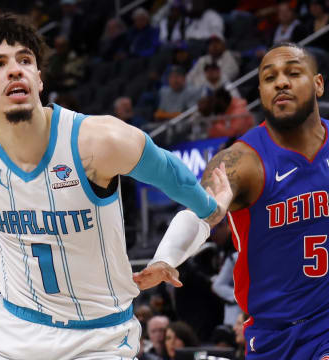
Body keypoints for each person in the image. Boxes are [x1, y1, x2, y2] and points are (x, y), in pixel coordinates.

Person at [0, 9, 231, 360]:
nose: (15, 69)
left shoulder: (99, 141)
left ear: (40, 78)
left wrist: (211, 208)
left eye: (25, 59)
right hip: (11, 329)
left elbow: (173, 173)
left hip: (98, 336)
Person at [134, 41, 329, 359]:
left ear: (318, 83)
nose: (281, 82)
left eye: (293, 73)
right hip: (271, 335)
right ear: (261, 92)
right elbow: (200, 212)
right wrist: (165, 258)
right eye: (269, 77)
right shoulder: (242, 161)